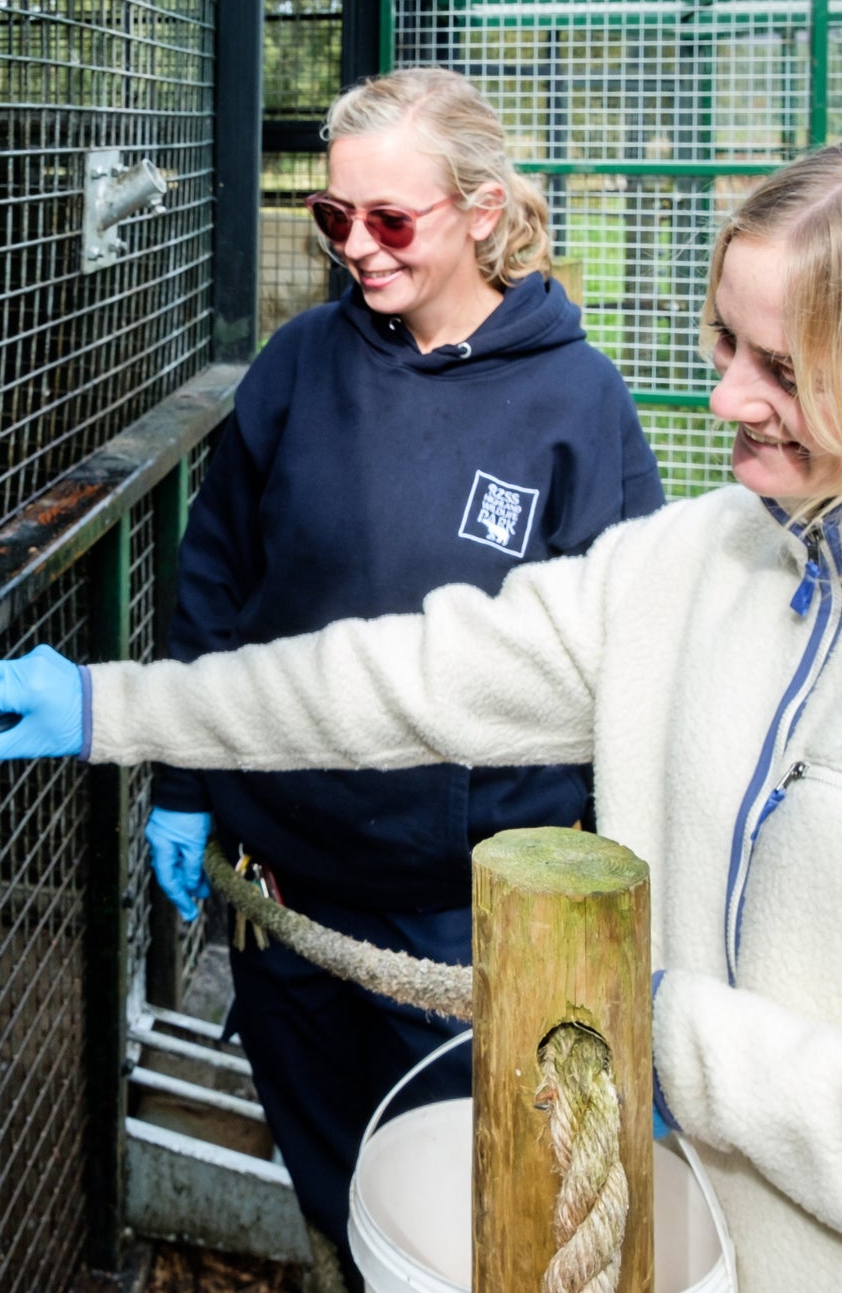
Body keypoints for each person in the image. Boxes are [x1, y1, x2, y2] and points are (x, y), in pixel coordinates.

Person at [0, 144, 842, 1291]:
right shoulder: (694, 563)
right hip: (662, 1214)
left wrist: (667, 1038)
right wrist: (119, 707)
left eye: (783, 369)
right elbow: (405, 676)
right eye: (720, 342)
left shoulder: (579, 401)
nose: (723, 398)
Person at [135, 67, 668, 1273]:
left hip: (463, 923)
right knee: (334, 1187)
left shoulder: (575, 400)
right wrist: (183, 778)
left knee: (480, 1209)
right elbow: (214, 582)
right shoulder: (295, 363)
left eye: (388, 220)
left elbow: (629, 656)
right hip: (285, 895)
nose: (353, 249)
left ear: (479, 210)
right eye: (331, 218)